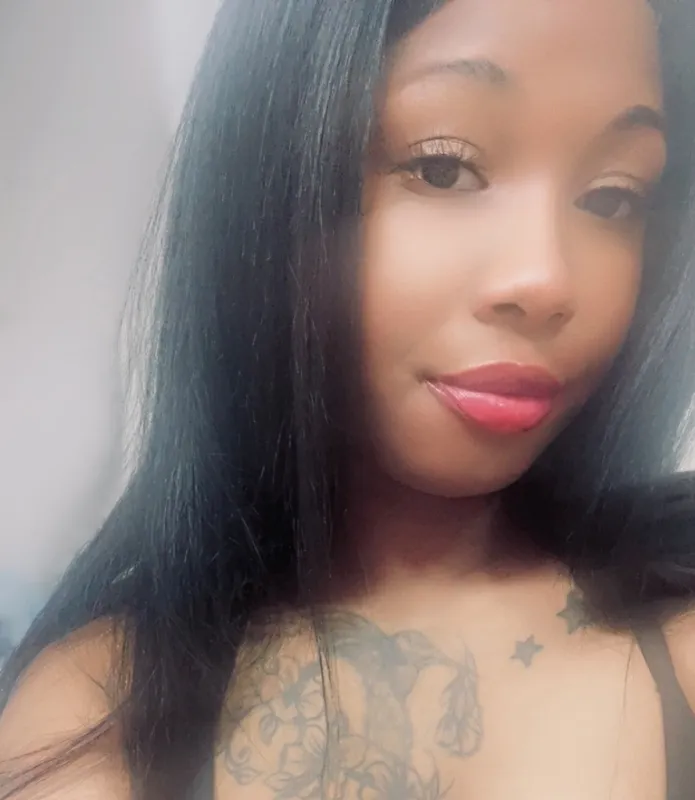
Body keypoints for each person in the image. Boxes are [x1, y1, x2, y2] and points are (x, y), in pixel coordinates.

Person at [2, 0, 695, 797]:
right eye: (442, 168)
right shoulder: (99, 708)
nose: (547, 280)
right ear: (266, 189)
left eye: (611, 197)